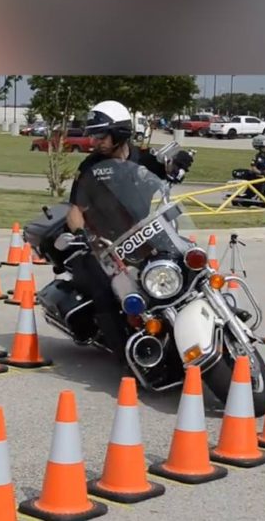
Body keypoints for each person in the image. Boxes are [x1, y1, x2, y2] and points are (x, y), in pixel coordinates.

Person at [65, 100, 193, 360]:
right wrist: (82, 236)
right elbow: (75, 210)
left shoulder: (144, 159)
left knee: (189, 263)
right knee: (105, 293)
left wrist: (179, 163)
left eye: (101, 135)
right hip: (106, 244)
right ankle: (125, 354)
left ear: (120, 133)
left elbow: (168, 173)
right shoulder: (90, 167)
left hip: (145, 236)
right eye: (93, 135)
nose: (95, 141)